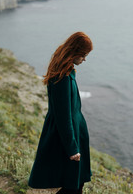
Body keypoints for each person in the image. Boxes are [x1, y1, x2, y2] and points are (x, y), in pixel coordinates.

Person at [28, 32, 93, 194]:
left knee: (76, 182)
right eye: (83, 55)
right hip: (66, 136)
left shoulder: (66, 71)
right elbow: (63, 117)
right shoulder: (62, 77)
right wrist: (72, 148)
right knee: (73, 185)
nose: (84, 59)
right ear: (75, 52)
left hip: (73, 133)